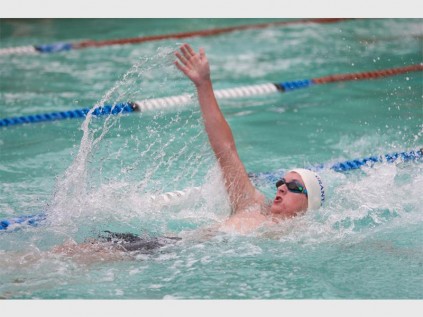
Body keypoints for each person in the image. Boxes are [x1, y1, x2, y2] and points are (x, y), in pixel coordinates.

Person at [174, 43, 325, 233]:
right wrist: (204, 84)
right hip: (159, 248)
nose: (281, 188)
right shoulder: (251, 205)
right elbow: (225, 148)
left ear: (310, 203)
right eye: (281, 183)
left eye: (293, 186)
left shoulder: (305, 237)